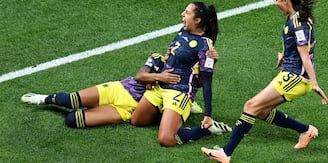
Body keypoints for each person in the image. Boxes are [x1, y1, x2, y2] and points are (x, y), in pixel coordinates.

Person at [201, 0, 328, 163]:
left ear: (286, 0)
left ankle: (226, 153)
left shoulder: (298, 22)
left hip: (297, 78)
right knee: (261, 111)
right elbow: (302, 45)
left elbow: (305, 55)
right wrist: (285, 55)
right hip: (291, 73)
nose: (275, 3)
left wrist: (314, 83)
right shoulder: (296, 17)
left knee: (251, 106)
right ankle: (306, 130)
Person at [20, 51, 222, 130]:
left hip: (127, 110)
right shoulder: (158, 58)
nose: (173, 53)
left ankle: (90, 110)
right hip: (119, 90)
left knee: (72, 120)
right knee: (72, 99)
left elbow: (199, 83)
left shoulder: (185, 74)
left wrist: (212, 62)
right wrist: (159, 77)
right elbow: (140, 77)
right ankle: (43, 99)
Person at [131, 1, 226, 147]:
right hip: (160, 86)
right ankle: (170, 115)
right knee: (137, 120)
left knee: (166, 139)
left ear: (197, 20)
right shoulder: (182, 31)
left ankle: (207, 130)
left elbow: (205, 83)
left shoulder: (206, 47)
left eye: (187, 13)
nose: (182, 14)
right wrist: (155, 76)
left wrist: (208, 115)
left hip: (180, 92)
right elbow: (170, 58)